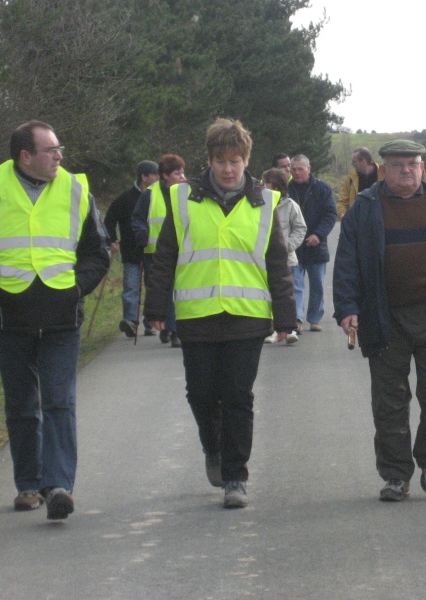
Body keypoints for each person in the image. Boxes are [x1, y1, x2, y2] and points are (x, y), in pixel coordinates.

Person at [0, 120, 111, 519]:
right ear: (26, 156)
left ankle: (58, 487)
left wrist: (78, 288)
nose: (59, 156)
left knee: (58, 401)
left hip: (61, 316)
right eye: (52, 150)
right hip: (9, 317)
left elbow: (99, 250)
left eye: (59, 149)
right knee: (21, 405)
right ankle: (28, 485)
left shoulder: (75, 188)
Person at [146, 118, 296, 508]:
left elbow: (278, 264)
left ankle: (235, 477)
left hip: (247, 317)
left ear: (247, 160)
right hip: (196, 317)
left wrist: (286, 319)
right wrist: (156, 308)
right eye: (220, 160)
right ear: (209, 161)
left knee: (237, 396)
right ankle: (212, 449)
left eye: (235, 160)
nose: (228, 169)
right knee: (201, 394)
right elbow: (164, 258)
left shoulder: (265, 202)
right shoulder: (182, 200)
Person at [333, 139, 426, 502]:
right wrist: (348, 308)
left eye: (412, 164)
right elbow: (347, 263)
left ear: (422, 168)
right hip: (383, 318)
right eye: (397, 165)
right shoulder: (364, 209)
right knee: (389, 400)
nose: (405, 171)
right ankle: (396, 475)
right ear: (384, 170)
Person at [133, 154, 187, 347]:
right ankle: (166, 328)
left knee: (176, 290)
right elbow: (137, 218)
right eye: (177, 173)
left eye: (183, 172)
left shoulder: (187, 193)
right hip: (153, 253)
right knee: (161, 292)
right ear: (165, 175)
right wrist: (141, 232)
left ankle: (174, 331)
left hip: (180, 252)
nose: (182, 177)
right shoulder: (149, 194)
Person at [105, 160, 159, 338]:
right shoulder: (125, 198)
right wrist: (112, 239)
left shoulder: (159, 196)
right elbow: (109, 219)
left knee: (153, 288)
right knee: (131, 288)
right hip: (131, 252)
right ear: (144, 177)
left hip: (154, 252)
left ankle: (149, 322)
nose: (158, 178)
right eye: (155, 174)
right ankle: (130, 322)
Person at [288, 154, 336, 333]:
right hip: (294, 246)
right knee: (295, 285)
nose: (297, 172)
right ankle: (297, 319)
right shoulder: (286, 189)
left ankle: (315, 319)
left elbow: (331, 215)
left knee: (317, 285)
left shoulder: (322, 189)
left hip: (315, 245)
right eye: (293, 169)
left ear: (309, 169)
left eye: (300, 169)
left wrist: (319, 235)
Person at [261, 167, 306, 344]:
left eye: (267, 183)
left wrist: (286, 246)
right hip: (265, 259)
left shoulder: (291, 206)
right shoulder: (260, 204)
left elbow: (300, 228)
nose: (263, 186)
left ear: (277, 187)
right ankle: (272, 329)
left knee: (291, 293)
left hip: (288, 259)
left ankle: (291, 329)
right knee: (269, 294)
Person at [337, 147, 383, 218]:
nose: (352, 164)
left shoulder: (384, 175)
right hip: (358, 224)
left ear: (363, 162)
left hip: (381, 222)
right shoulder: (350, 179)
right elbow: (343, 202)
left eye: (354, 161)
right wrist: (343, 215)